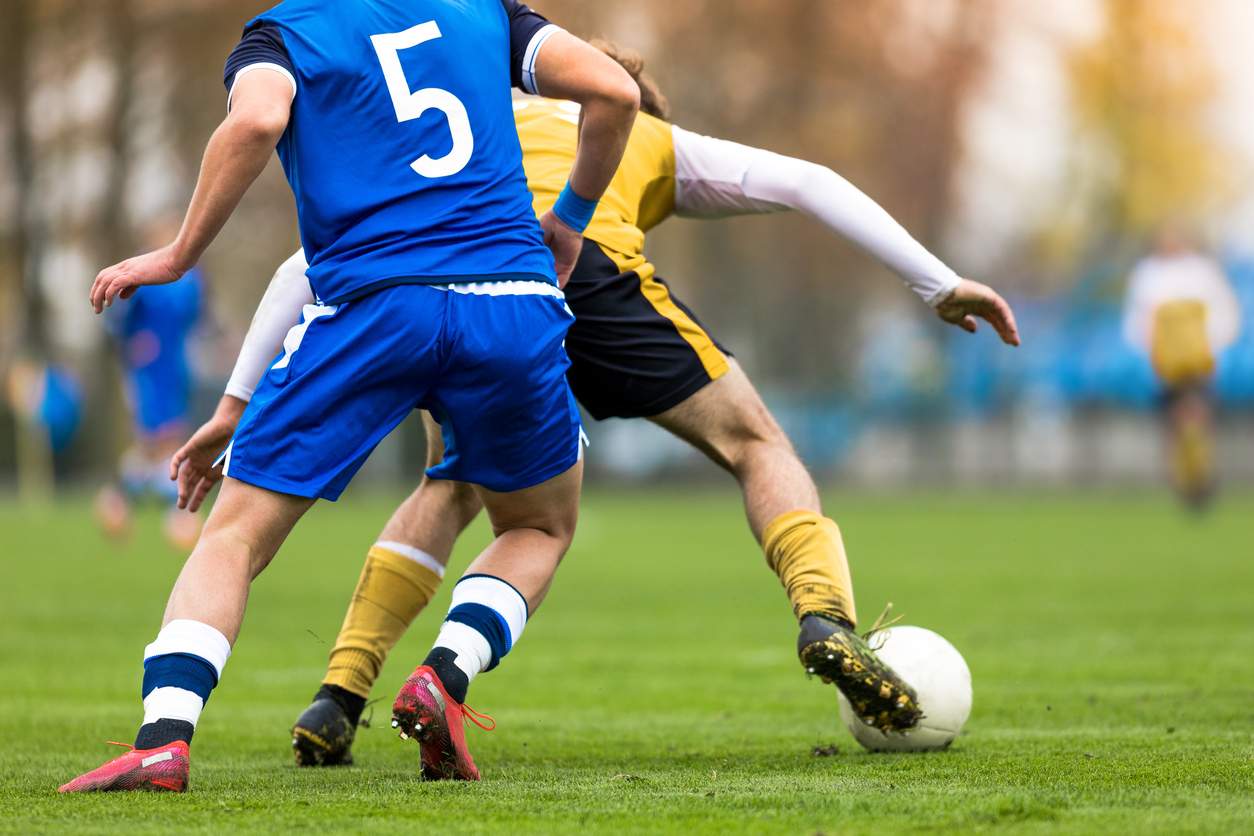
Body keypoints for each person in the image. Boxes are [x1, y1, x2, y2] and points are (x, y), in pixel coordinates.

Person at [171, 43, 1021, 768]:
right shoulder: (650, 133)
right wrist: (937, 283)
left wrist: (236, 399)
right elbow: (808, 181)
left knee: (452, 485)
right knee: (757, 447)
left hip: (476, 299)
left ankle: (339, 694)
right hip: (592, 280)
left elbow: (302, 265)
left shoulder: (479, 129)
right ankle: (823, 615)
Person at [60, 0, 639, 793]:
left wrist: (178, 253)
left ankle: (164, 737)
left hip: (375, 306)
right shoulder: (486, 12)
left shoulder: (287, 31)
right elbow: (616, 91)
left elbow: (258, 121)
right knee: (539, 524)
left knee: (232, 537)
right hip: (510, 298)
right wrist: (569, 219)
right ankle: (445, 673)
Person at [96, 217, 206, 549]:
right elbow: (119, 319)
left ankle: (122, 499)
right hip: (149, 364)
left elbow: (194, 312)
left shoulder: (190, 278)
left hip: (174, 362)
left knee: (165, 438)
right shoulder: (141, 275)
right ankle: (174, 510)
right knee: (158, 437)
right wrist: (133, 342)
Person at [1123, 225, 1241, 509]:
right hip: (1165, 363)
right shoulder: (1147, 274)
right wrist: (1149, 350)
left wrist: (1213, 346)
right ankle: (1183, 480)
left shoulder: (1202, 271)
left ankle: (1200, 475)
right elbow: (1137, 320)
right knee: (1174, 422)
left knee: (1196, 414)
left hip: (1198, 360)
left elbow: (1225, 313)